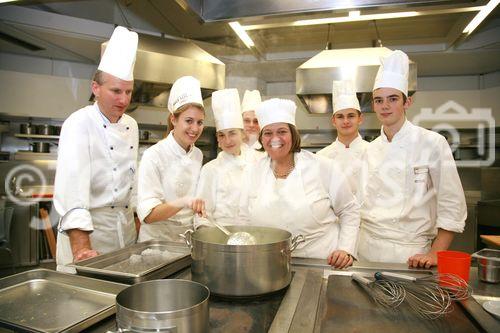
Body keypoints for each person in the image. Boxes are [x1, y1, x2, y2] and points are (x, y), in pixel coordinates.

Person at [358, 50, 467, 268]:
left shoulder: (432, 143)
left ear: (407, 102)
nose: (385, 106)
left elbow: (451, 202)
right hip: (365, 252)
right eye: (379, 100)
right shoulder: (369, 150)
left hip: (410, 255)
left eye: (392, 99)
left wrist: (436, 252)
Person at [54, 26, 139, 273]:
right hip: (87, 235)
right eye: (115, 91)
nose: (123, 100)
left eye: (128, 91)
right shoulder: (79, 123)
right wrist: (81, 247)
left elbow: (131, 182)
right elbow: (72, 190)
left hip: (123, 233)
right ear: (95, 88)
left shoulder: (131, 126)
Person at [239, 98, 360, 268]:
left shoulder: (323, 167)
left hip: (322, 262)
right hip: (268, 265)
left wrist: (345, 249)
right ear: (261, 138)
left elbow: (349, 209)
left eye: (282, 131)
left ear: (293, 134)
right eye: (268, 133)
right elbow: (244, 218)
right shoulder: (252, 172)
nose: (275, 138)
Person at [136, 76, 205, 242]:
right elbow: (148, 215)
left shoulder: (198, 154)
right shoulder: (154, 155)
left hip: (186, 242)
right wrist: (184, 201)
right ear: (173, 119)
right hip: (155, 243)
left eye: (200, 122)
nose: (195, 129)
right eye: (189, 121)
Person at [195, 89, 263, 228]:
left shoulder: (257, 165)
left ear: (242, 134)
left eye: (232, 133)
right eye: (221, 135)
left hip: (253, 236)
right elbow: (201, 214)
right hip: (220, 237)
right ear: (217, 140)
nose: (227, 140)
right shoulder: (210, 169)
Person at [317, 80, 369, 196]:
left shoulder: (373, 152)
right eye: (340, 117)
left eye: (351, 116)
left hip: (367, 214)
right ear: (333, 121)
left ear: (360, 119)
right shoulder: (321, 157)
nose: (346, 121)